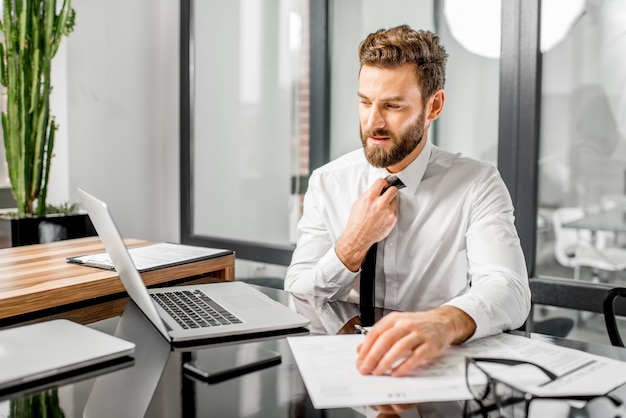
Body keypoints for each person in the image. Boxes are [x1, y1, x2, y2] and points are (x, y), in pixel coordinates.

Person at [284, 25, 530, 377]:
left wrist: (443, 322)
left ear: (434, 106)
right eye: (365, 102)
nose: (373, 122)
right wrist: (352, 245)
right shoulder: (329, 181)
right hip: (344, 368)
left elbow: (509, 288)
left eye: (393, 106)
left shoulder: (477, 184)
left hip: (435, 371)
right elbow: (298, 291)